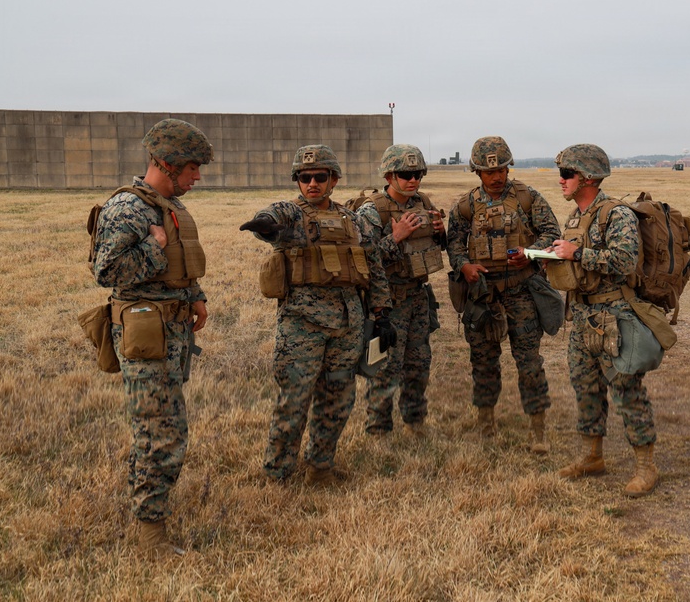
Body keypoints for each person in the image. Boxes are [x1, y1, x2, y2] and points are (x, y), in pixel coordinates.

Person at [90, 118, 213, 558]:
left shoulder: (168, 204)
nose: (197, 176)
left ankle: (150, 514)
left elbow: (181, 263)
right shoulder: (129, 208)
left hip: (171, 331)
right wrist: (151, 246)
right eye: (193, 168)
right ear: (166, 163)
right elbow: (106, 272)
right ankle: (150, 536)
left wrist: (195, 296)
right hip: (146, 333)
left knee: (162, 427)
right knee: (159, 432)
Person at [239, 145, 394, 484]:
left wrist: (381, 311)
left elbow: (373, 265)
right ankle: (278, 472)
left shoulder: (352, 221)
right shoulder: (292, 216)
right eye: (304, 178)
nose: (311, 184)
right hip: (302, 326)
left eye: (319, 177)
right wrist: (265, 224)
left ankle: (320, 466)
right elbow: (274, 216)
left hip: (348, 323)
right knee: (294, 399)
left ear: (333, 180)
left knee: (338, 397)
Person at [548, 144, 660, 498]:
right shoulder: (575, 218)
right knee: (586, 388)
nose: (561, 180)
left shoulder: (616, 214)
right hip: (582, 316)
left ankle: (646, 466)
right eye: (562, 173)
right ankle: (592, 456)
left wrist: (576, 252)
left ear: (589, 178)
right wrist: (557, 254)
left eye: (568, 174)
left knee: (627, 389)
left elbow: (625, 260)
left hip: (614, 318)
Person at [446, 136, 561, 453]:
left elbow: (553, 235)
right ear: (477, 172)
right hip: (483, 297)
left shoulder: (528, 198)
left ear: (509, 168)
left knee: (530, 364)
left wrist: (532, 253)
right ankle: (486, 426)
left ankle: (538, 432)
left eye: (502, 170)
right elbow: (453, 244)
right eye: (488, 171)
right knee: (483, 362)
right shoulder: (465, 206)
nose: (496, 177)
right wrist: (464, 266)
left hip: (521, 293)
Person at [356, 144, 446, 436]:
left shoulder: (422, 202)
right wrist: (394, 238)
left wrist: (440, 233)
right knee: (385, 369)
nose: (414, 180)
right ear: (389, 175)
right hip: (387, 302)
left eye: (418, 173)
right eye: (406, 174)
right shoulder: (372, 212)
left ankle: (415, 422)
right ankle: (378, 428)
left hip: (418, 297)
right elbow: (363, 264)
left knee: (419, 365)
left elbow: (434, 245)